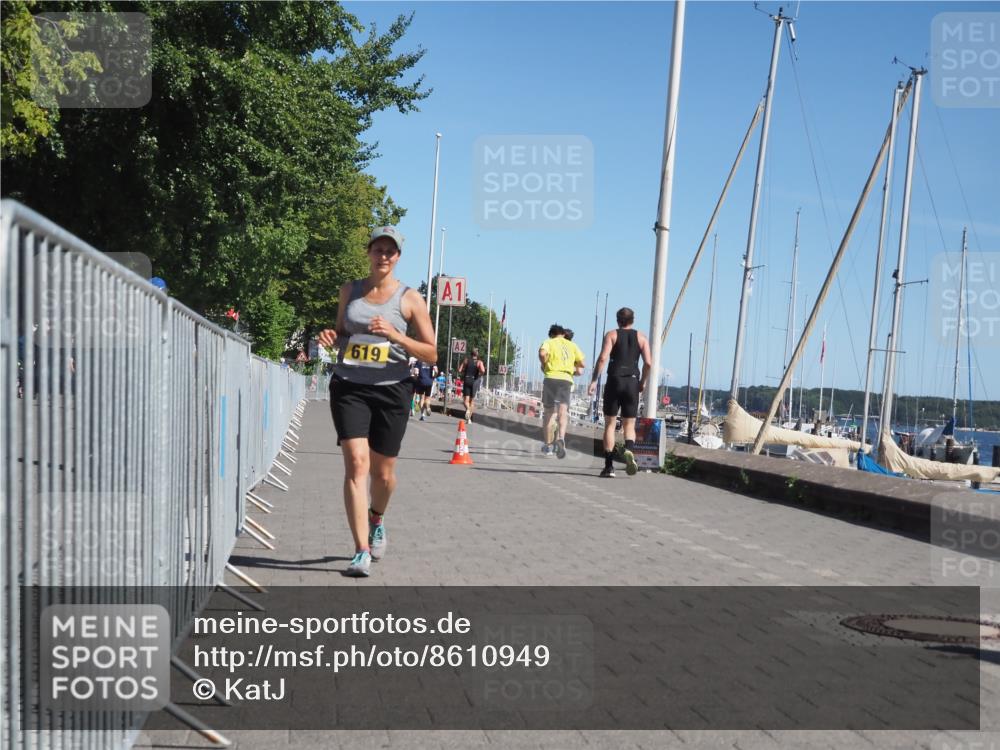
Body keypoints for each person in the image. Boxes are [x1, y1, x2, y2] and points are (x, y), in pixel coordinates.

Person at [316, 226, 436, 577]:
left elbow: (431, 352)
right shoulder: (349, 291)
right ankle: (361, 550)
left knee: (384, 475)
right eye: (377, 249)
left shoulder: (410, 299)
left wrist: (396, 334)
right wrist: (330, 335)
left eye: (390, 251)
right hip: (350, 385)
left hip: (392, 388)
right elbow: (341, 333)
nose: (383, 256)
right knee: (356, 464)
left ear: (397, 258)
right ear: (368, 252)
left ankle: (376, 518)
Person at [588, 307, 652, 478]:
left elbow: (603, 358)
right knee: (629, 425)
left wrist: (594, 380)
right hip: (632, 381)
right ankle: (629, 450)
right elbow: (648, 363)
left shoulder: (611, 335)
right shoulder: (642, 337)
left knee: (610, 424)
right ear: (633, 320)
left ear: (618, 320)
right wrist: (642, 382)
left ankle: (609, 467)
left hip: (614, 380)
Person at [538, 324, 585, 459]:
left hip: (551, 378)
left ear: (552, 334)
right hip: (566, 380)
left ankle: (548, 446)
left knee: (549, 413)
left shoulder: (549, 342)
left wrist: (545, 363)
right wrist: (570, 367)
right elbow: (582, 366)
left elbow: (542, 353)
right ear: (563, 334)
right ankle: (561, 438)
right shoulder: (572, 345)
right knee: (563, 412)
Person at [457, 349, 485, 422]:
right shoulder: (479, 362)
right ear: (477, 354)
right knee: (472, 401)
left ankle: (468, 411)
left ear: (471, 354)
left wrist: (463, 369)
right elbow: (483, 371)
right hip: (474, 381)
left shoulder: (466, 360)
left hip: (467, 380)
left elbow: (459, 370)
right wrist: (479, 374)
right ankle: (469, 419)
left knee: (466, 401)